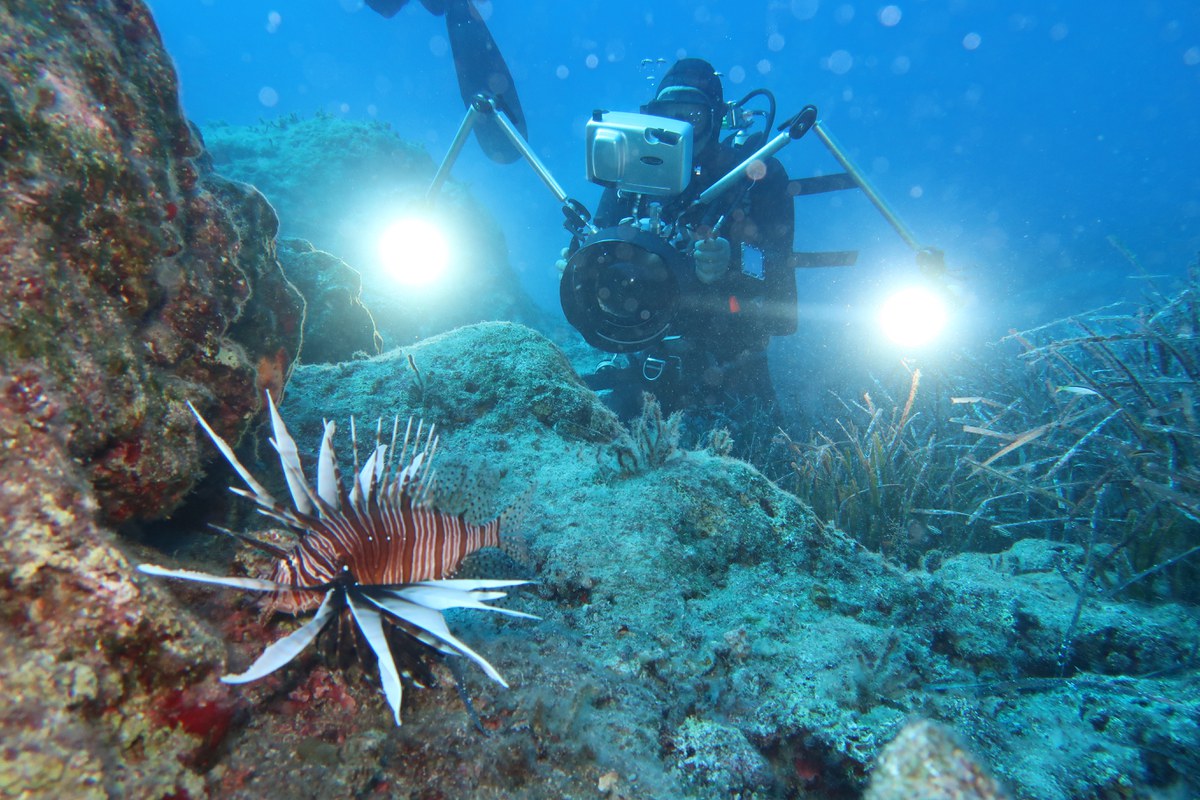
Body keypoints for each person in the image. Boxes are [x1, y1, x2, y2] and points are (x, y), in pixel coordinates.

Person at [569, 58, 797, 427]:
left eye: (692, 117)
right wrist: (581, 267)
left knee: (764, 447)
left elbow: (781, 298)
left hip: (732, 367)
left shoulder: (750, 177)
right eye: (665, 116)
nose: (677, 131)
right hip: (643, 360)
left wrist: (730, 266)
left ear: (715, 118)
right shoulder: (630, 175)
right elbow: (599, 260)